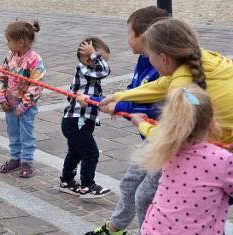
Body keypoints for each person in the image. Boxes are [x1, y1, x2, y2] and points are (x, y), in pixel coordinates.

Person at [98, 18, 233, 231]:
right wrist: (119, 95)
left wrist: (140, 124)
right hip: (214, 148)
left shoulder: (182, 88)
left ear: (162, 58)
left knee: (202, 206)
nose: (148, 60)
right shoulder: (200, 58)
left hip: (215, 152)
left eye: (149, 55)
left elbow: (170, 138)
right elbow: (163, 84)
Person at [86, 6, 169, 235]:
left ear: (144, 37)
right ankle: (116, 228)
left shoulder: (162, 65)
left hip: (169, 144)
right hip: (151, 140)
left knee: (147, 195)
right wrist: (104, 102)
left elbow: (151, 100)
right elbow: (134, 91)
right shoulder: (144, 59)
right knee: (130, 182)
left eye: (128, 33)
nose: (126, 38)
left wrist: (114, 104)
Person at [134, 85, 232, 234]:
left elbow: (157, 135)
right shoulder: (223, 160)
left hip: (154, 230)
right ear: (212, 123)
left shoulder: (167, 148)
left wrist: (141, 123)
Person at [59, 37, 111, 198]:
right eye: (99, 59)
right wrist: (96, 55)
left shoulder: (87, 73)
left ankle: (66, 181)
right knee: (91, 153)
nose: (102, 62)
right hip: (76, 120)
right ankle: (88, 185)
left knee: (75, 152)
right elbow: (105, 70)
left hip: (79, 120)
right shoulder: (84, 69)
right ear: (90, 59)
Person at [0, 20, 46, 178]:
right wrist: (1, 97)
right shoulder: (10, 56)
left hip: (26, 107)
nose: (7, 44)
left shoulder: (35, 60)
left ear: (21, 42)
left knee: (26, 133)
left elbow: (36, 85)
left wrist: (24, 106)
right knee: (12, 132)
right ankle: (15, 158)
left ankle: (27, 161)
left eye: (9, 41)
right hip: (10, 104)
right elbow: (2, 76)